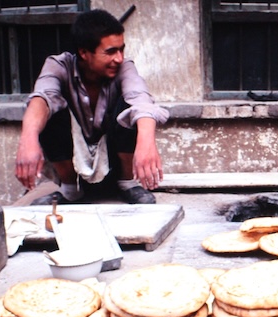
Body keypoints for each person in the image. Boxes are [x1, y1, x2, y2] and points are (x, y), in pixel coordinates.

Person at [15, 9, 169, 205]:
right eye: (110, 52)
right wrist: (28, 139)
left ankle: (127, 183)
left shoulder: (125, 68)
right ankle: (70, 189)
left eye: (121, 49)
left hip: (114, 159)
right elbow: (41, 98)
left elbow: (141, 100)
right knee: (47, 110)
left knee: (130, 110)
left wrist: (147, 142)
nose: (119, 58)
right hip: (73, 160)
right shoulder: (58, 66)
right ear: (84, 53)